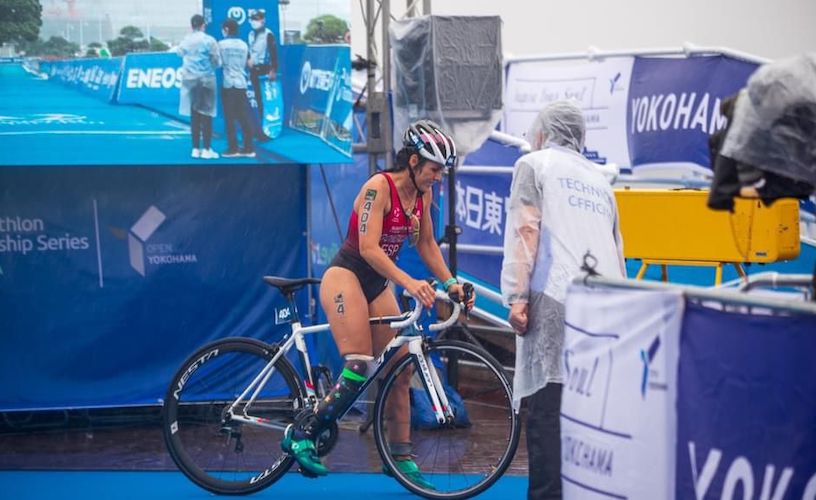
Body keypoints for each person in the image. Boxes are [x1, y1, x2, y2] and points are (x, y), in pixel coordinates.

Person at [280, 120, 475, 486]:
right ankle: (302, 433)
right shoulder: (377, 188)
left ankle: (399, 458)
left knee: (400, 369)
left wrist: (451, 283)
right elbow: (368, 248)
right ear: (414, 162)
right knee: (360, 362)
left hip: (375, 284)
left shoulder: (422, 195)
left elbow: (427, 245)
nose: (438, 177)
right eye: (434, 169)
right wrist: (409, 282)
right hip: (347, 276)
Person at [500, 100, 625, 500]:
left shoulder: (534, 165)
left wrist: (517, 297)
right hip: (605, 303)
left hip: (555, 297)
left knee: (546, 409)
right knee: (590, 409)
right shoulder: (600, 180)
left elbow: (525, 233)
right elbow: (617, 248)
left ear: (544, 131)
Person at [177, 14, 221, 160]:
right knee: (207, 115)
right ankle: (207, 149)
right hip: (206, 79)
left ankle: (195, 149)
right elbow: (216, 61)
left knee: (194, 115)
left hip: (190, 80)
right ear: (203, 25)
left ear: (191, 26)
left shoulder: (186, 39)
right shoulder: (210, 40)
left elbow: (179, 52)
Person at [217, 18, 255, 158]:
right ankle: (249, 148)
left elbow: (218, 63)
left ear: (226, 29)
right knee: (243, 116)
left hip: (228, 84)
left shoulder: (220, 44)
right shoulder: (244, 45)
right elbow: (250, 64)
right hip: (241, 84)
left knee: (229, 117)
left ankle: (233, 149)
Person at [247, 9, 279, 141]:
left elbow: (273, 53)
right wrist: (248, 60)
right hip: (253, 70)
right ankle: (259, 129)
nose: (256, 21)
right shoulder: (250, 34)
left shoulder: (268, 34)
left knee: (266, 101)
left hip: (265, 69)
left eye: (258, 19)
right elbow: (250, 50)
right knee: (257, 100)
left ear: (263, 20)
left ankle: (267, 130)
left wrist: (273, 70)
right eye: (254, 19)